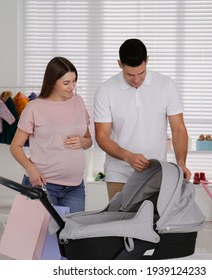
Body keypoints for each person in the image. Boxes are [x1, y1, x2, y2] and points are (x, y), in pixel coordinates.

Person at [93, 38, 191, 200]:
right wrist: (128, 157)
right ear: (120, 64)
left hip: (156, 174)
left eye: (141, 73)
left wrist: (181, 163)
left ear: (147, 61)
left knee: (153, 222)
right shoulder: (106, 90)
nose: (137, 80)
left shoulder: (166, 85)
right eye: (130, 75)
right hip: (118, 173)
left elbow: (178, 129)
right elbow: (102, 136)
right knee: (120, 221)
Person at [10, 57, 92, 212]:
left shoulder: (78, 102)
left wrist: (83, 142)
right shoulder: (34, 108)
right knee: (38, 235)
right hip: (43, 185)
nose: (72, 87)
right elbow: (16, 146)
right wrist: (31, 169)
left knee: (73, 235)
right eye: (66, 83)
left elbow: (89, 140)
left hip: (75, 187)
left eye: (74, 81)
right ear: (52, 81)